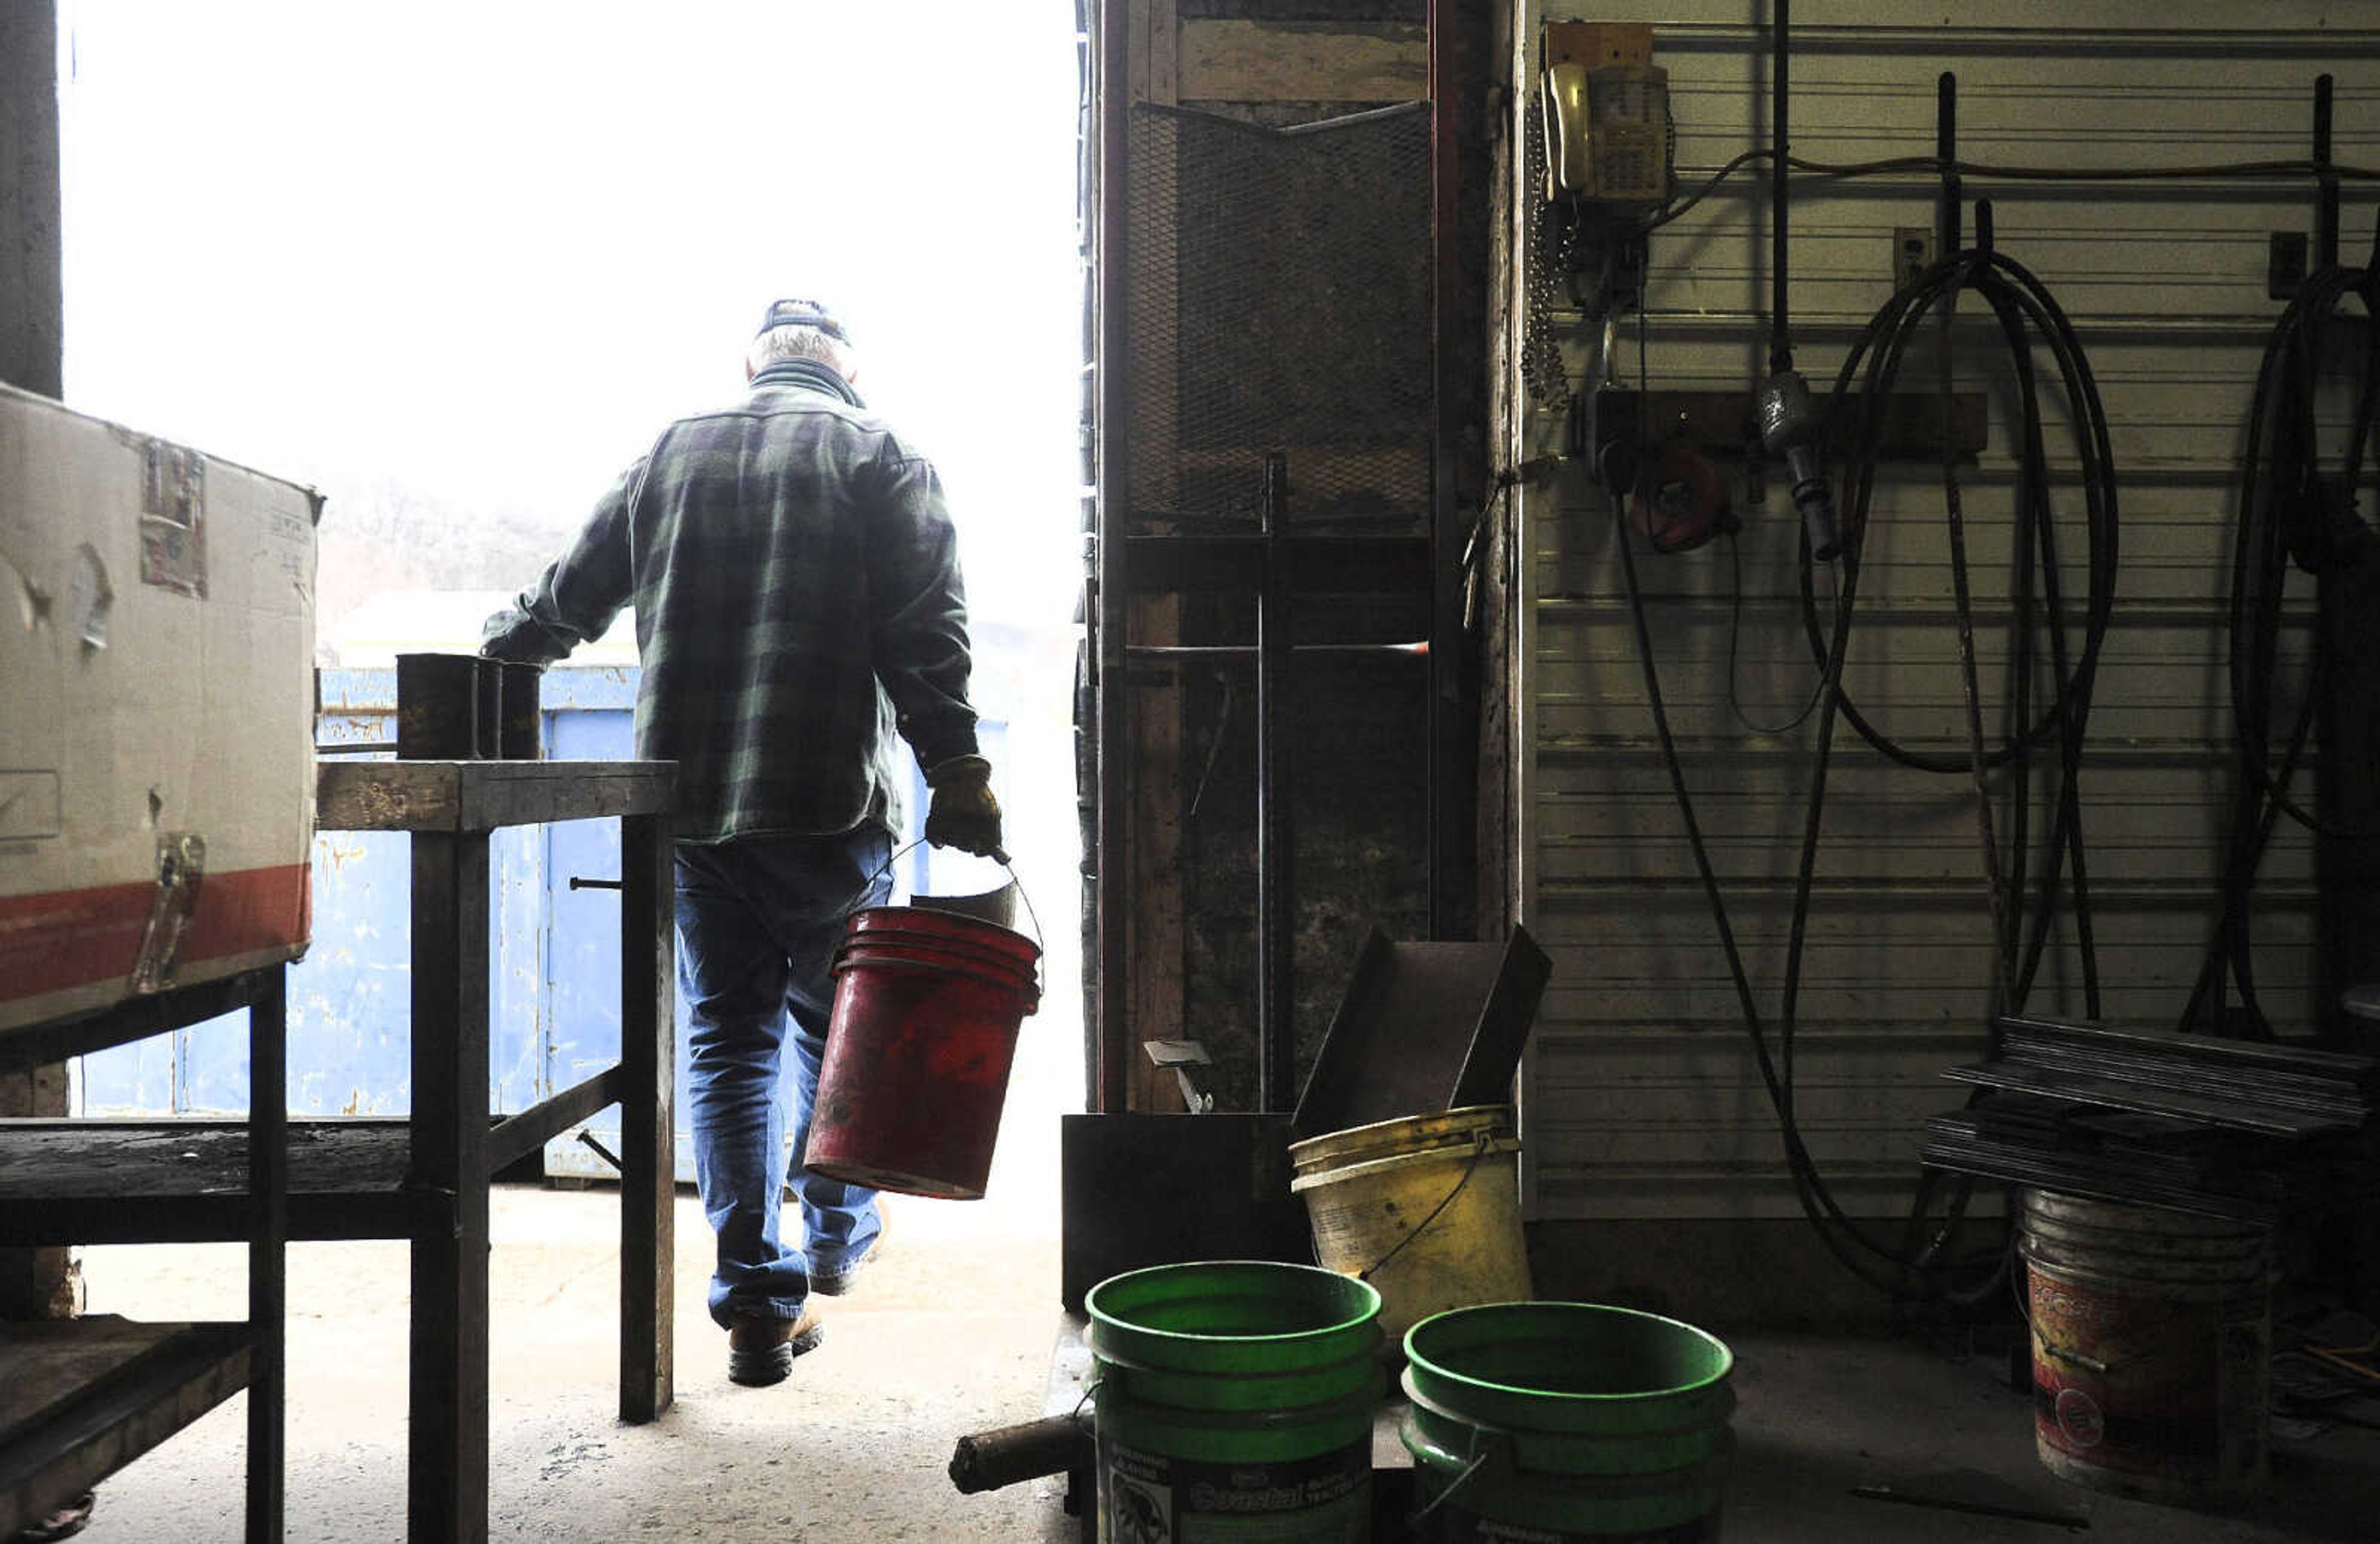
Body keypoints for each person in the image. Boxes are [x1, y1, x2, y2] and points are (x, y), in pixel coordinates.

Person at [482, 299, 1002, 1387]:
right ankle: (833, 1238)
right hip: (827, 808)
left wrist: (496, 659)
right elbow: (928, 633)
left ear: (753, 366)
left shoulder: (672, 453)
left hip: (694, 808)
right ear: (844, 371)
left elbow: (564, 601)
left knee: (729, 1041)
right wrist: (959, 768)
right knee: (839, 1027)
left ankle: (759, 1306)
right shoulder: (878, 452)